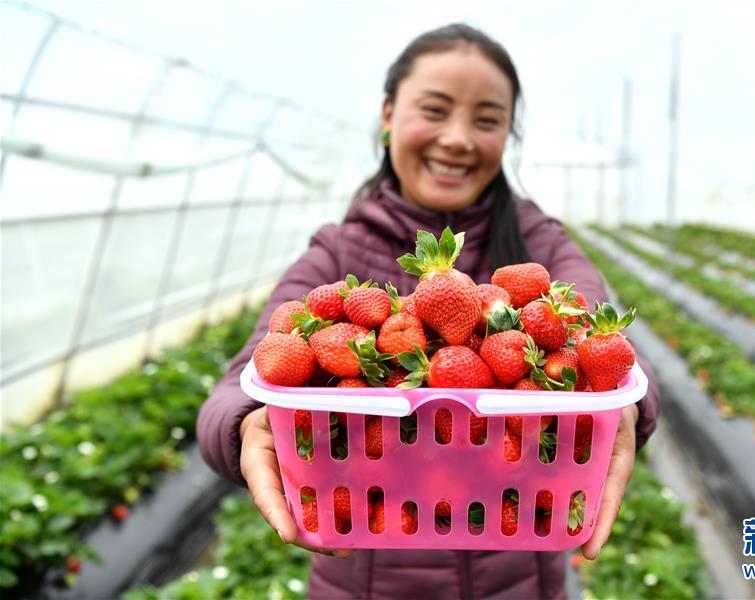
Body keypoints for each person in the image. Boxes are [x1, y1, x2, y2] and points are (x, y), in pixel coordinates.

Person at [198, 23, 659, 599]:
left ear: (507, 136)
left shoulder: (541, 246)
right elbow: (248, 374)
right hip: (367, 574)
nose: (458, 139)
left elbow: (598, 335)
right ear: (388, 115)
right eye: (435, 110)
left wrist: (625, 406)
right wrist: (248, 420)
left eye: (486, 120)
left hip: (518, 574)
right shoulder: (335, 254)